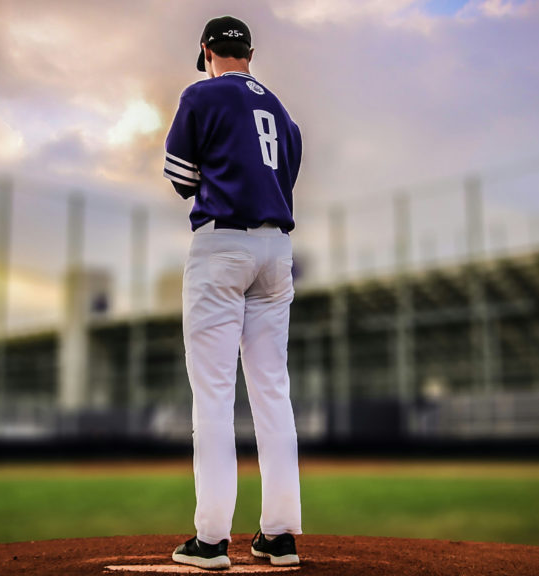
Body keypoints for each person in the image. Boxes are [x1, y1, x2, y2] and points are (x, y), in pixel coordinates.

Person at [162, 15, 303, 571]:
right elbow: (282, 178)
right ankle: (281, 535)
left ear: (206, 51)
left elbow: (181, 177)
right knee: (272, 393)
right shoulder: (283, 114)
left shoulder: (201, 94)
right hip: (277, 251)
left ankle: (212, 540)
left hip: (222, 246)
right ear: (250, 53)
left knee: (214, 396)